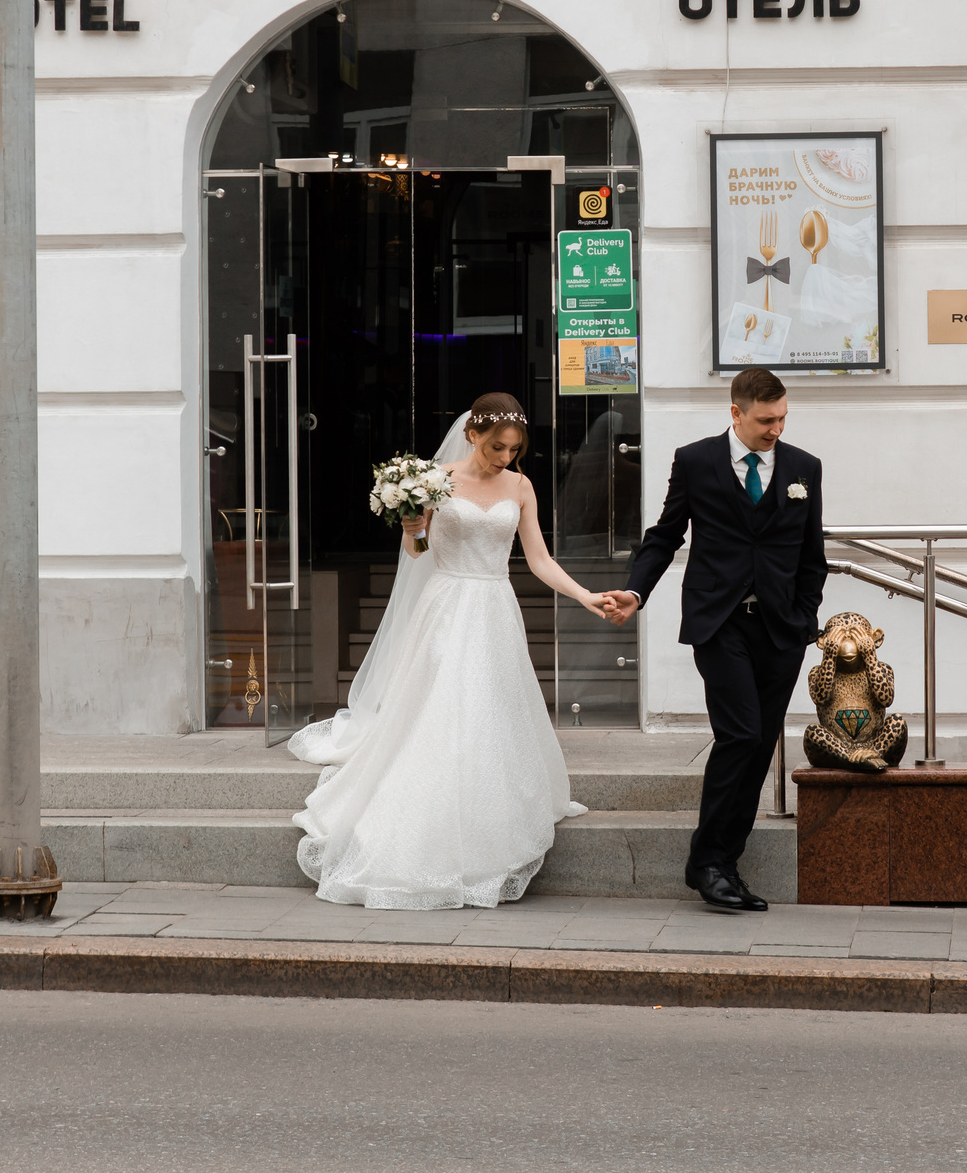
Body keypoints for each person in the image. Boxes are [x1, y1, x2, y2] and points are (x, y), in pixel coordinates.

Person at [287, 393, 613, 909]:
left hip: (494, 605)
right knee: (438, 707)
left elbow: (539, 559)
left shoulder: (522, 486)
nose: (504, 457)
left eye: (513, 449)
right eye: (495, 446)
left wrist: (584, 595)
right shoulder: (437, 482)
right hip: (445, 602)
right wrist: (412, 529)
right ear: (472, 435)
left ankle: (489, 811)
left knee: (489, 709)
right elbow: (417, 552)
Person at [605, 367, 826, 912]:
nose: (775, 429)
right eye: (765, 420)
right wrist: (637, 593)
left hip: (780, 629)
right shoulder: (696, 460)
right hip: (719, 621)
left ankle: (724, 863)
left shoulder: (804, 468)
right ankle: (707, 863)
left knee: (758, 749)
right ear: (736, 413)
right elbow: (663, 537)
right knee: (741, 734)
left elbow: (810, 556)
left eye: (782, 419)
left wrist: (803, 617)